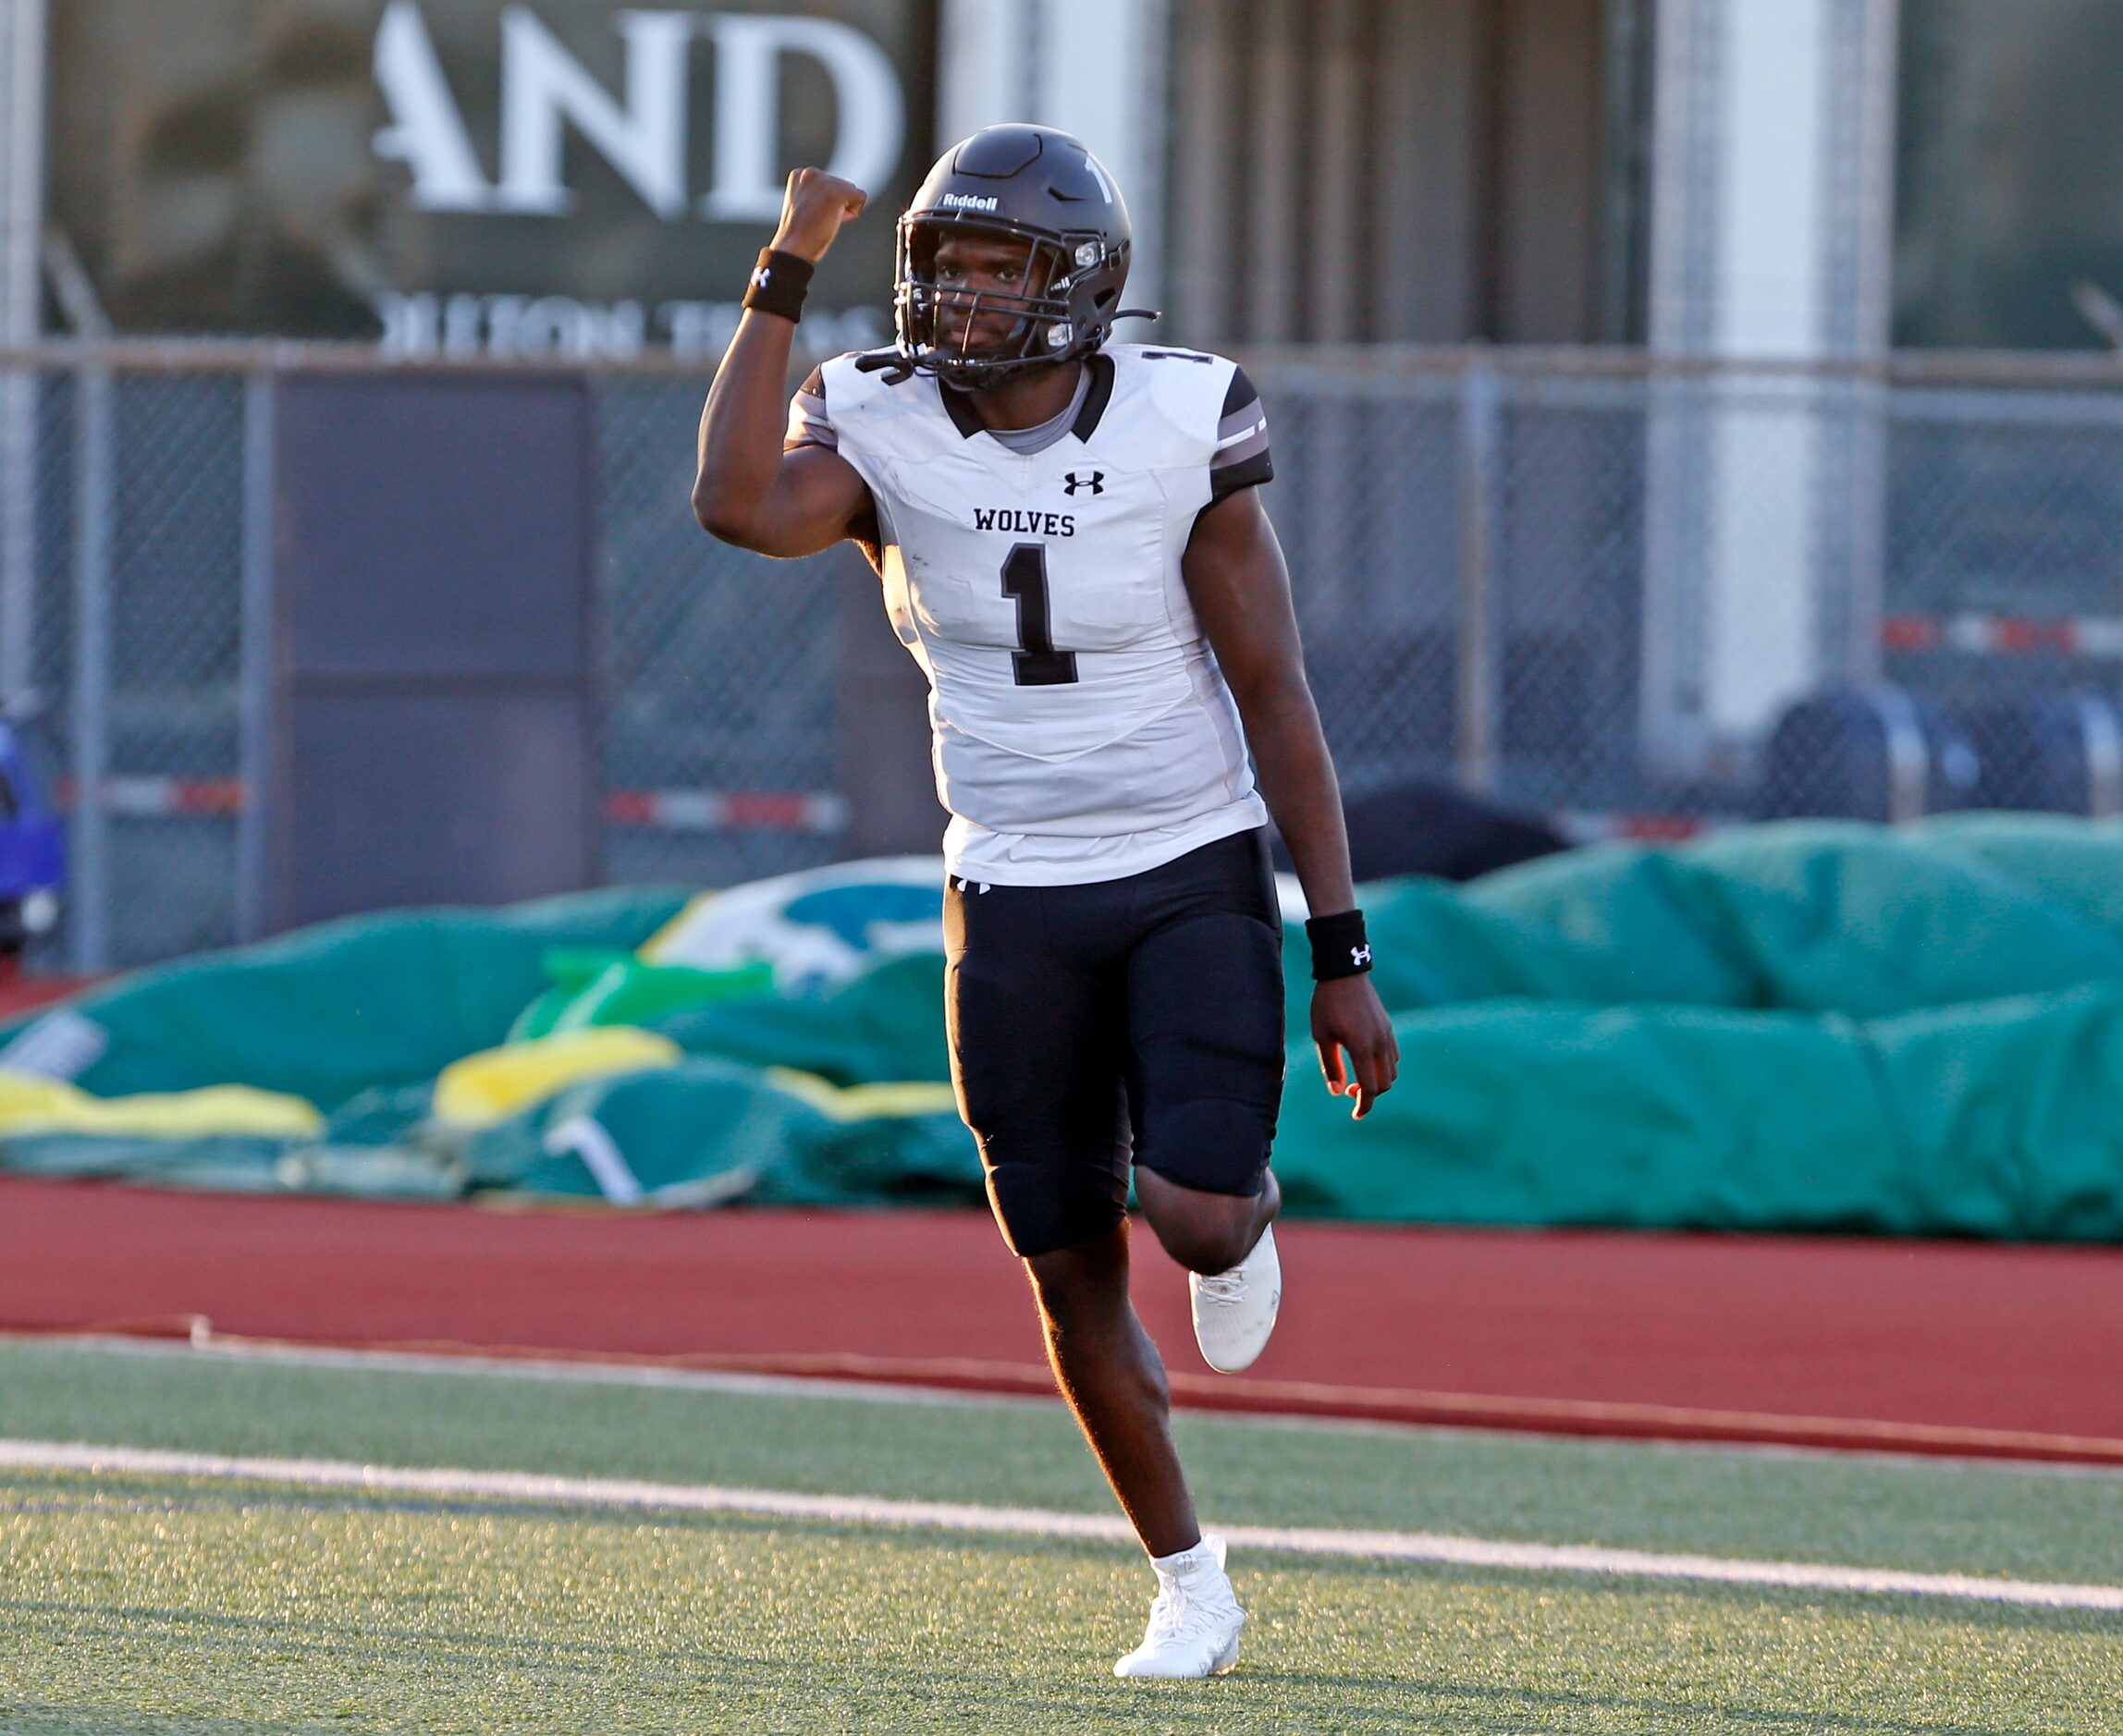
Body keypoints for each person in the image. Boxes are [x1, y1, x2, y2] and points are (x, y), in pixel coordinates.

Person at [693, 124, 1398, 1681]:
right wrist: (783, 264)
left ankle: (1240, 1222)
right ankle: (1189, 1580)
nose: (966, 302)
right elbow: (738, 503)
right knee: (1065, 1260)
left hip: (1183, 861)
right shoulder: (873, 417)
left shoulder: (1175, 419)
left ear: (1079, 285)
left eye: (1004, 270)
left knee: (1196, 1211)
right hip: (1007, 885)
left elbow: (1277, 693)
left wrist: (1340, 947)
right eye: (947, 267)